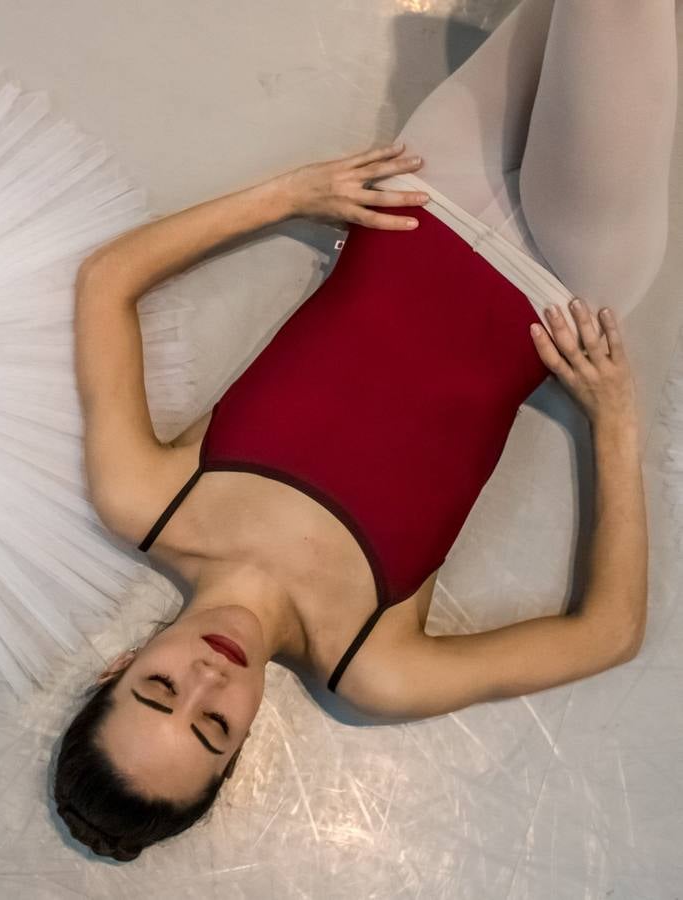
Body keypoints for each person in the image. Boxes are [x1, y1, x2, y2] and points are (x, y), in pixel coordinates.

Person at [53, 0, 676, 861]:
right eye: (211, 731)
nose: (206, 681)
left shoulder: (148, 501)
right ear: (238, 756)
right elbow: (605, 634)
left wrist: (288, 194)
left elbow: (104, 281)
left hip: (432, 183)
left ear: (112, 672)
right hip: (562, 275)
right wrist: (613, 423)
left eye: (158, 690)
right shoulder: (372, 664)